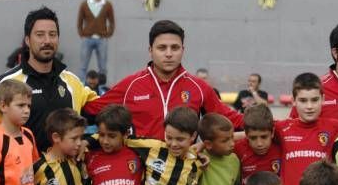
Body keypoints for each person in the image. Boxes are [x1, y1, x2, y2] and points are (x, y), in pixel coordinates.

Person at [83, 20, 242, 139]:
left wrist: (266, 124)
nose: (168, 54)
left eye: (175, 48)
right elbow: (90, 110)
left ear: (183, 50)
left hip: (182, 175)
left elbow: (231, 120)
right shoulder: (131, 85)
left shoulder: (199, 87)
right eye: (162, 48)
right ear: (150, 51)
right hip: (140, 174)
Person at [0, 7, 98, 152]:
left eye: (52, 34)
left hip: (68, 171)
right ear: (28, 40)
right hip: (24, 172)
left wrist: (89, 141)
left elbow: (104, 111)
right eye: (40, 35)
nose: (47, 41)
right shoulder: (8, 82)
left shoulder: (72, 82)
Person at [274, 73, 338, 185]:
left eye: (314, 100)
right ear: (293, 101)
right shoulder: (280, 128)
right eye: (303, 100)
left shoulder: (335, 126)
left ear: (323, 99)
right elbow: (252, 130)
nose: (309, 106)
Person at [33, 108, 87, 185]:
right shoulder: (39, 168)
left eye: (81, 138)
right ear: (56, 137)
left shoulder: (79, 159)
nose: (79, 143)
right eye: (74, 139)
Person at [191, 114, 240, 185]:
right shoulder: (198, 160)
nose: (232, 143)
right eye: (225, 141)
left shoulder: (234, 159)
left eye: (232, 137)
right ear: (208, 144)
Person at [234, 103, 282, 185]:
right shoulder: (238, 148)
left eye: (264, 137)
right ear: (246, 135)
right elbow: (217, 140)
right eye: (253, 138)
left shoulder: (282, 145)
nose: (259, 143)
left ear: (272, 132)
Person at [77, 0, 115, 82]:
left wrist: (109, 33)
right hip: (87, 38)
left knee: (102, 66)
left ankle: (102, 86)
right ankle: (81, 86)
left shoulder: (107, 5)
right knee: (83, 66)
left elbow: (112, 21)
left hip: (102, 38)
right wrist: (82, 33)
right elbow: (80, 20)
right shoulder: (85, 4)